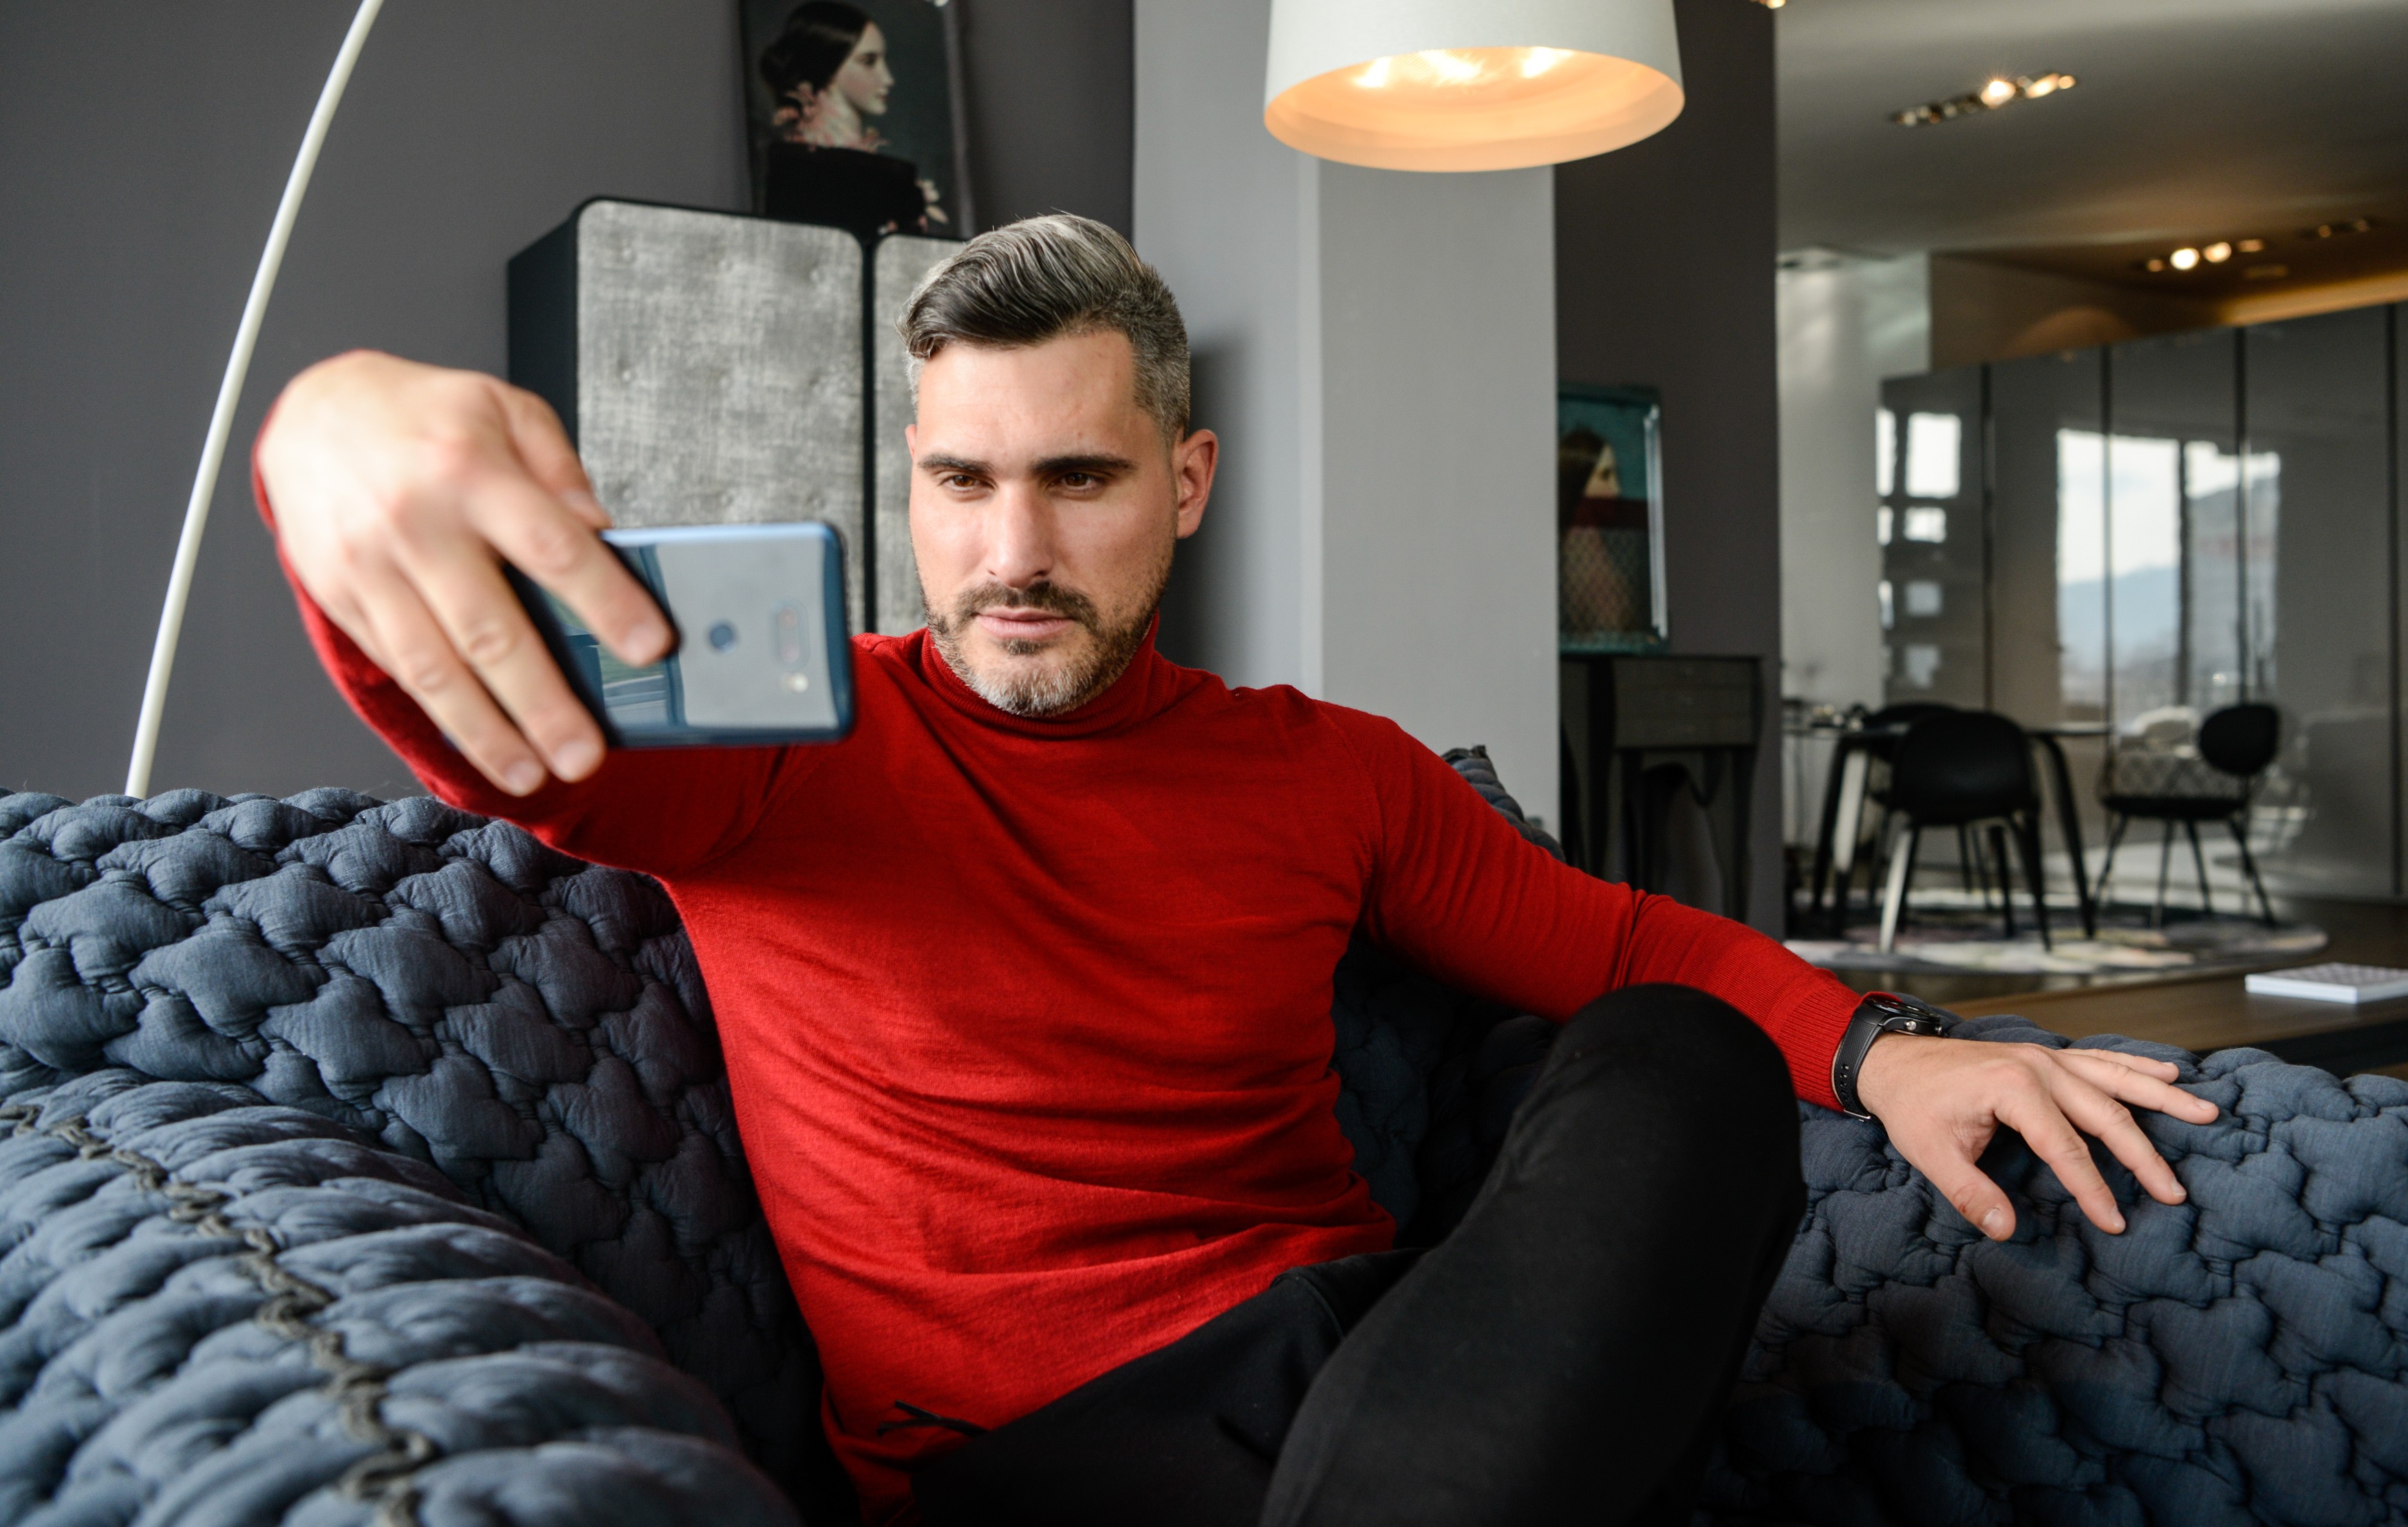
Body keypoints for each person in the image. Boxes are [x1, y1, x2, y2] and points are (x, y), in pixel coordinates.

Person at [255, 215, 2219, 1527]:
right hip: (1038, 1468)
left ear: (1182, 484)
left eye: (1079, 479)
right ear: (910, 486)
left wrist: (1884, 1047)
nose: (1013, 552)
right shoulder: (781, 749)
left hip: (1381, 1371)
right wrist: (328, 435)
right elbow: (476, 724)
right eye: (961, 482)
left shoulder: (1328, 769)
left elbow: (1615, 936)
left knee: (1673, 1057)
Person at [756, 1, 943, 235]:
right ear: (828, 65)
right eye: (868, 61)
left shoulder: (893, 174)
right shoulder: (796, 167)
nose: (888, 79)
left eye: (882, 60)